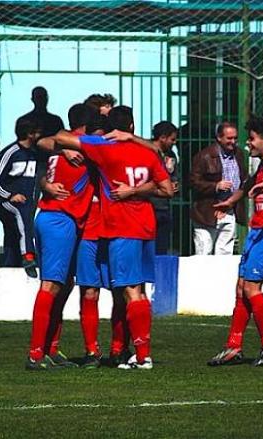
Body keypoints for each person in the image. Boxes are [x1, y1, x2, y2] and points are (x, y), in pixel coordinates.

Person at [45, 105, 174, 370]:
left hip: (119, 227)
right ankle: (117, 352)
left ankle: (138, 355)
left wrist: (129, 191)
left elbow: (58, 137)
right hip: (141, 227)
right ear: (133, 127)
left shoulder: (103, 148)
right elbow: (167, 188)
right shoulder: (147, 152)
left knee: (127, 290)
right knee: (127, 290)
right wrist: (138, 189)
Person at [207, 118, 263, 367]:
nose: (247, 143)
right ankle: (234, 346)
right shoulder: (262, 166)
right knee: (241, 288)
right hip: (256, 234)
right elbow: (246, 187)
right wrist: (230, 201)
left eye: (251, 138)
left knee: (252, 288)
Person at [25, 104, 93, 370]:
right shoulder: (84, 147)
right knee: (51, 285)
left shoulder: (58, 146)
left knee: (63, 284)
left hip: (52, 217)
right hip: (59, 218)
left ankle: (51, 349)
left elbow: (43, 145)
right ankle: (35, 354)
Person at [0, 118, 41, 274]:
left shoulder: (34, 154)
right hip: (7, 201)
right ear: (29, 134)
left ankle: (12, 260)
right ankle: (28, 256)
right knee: (22, 214)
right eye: (37, 132)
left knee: (16, 230)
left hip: (27, 201)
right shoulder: (11, 152)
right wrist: (10, 195)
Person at [189, 122, 249, 255]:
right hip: (208, 212)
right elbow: (193, 182)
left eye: (235, 138)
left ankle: (222, 276)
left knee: (225, 253)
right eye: (229, 138)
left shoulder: (239, 154)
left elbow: (244, 178)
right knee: (204, 251)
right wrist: (215, 186)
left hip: (229, 209)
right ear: (219, 138)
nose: (233, 142)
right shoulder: (204, 156)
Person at [150, 121, 179, 255]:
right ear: (162, 137)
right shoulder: (147, 151)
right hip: (150, 205)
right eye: (172, 139)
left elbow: (173, 175)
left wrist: (174, 184)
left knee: (162, 247)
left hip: (165, 207)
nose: (175, 142)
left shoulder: (171, 156)